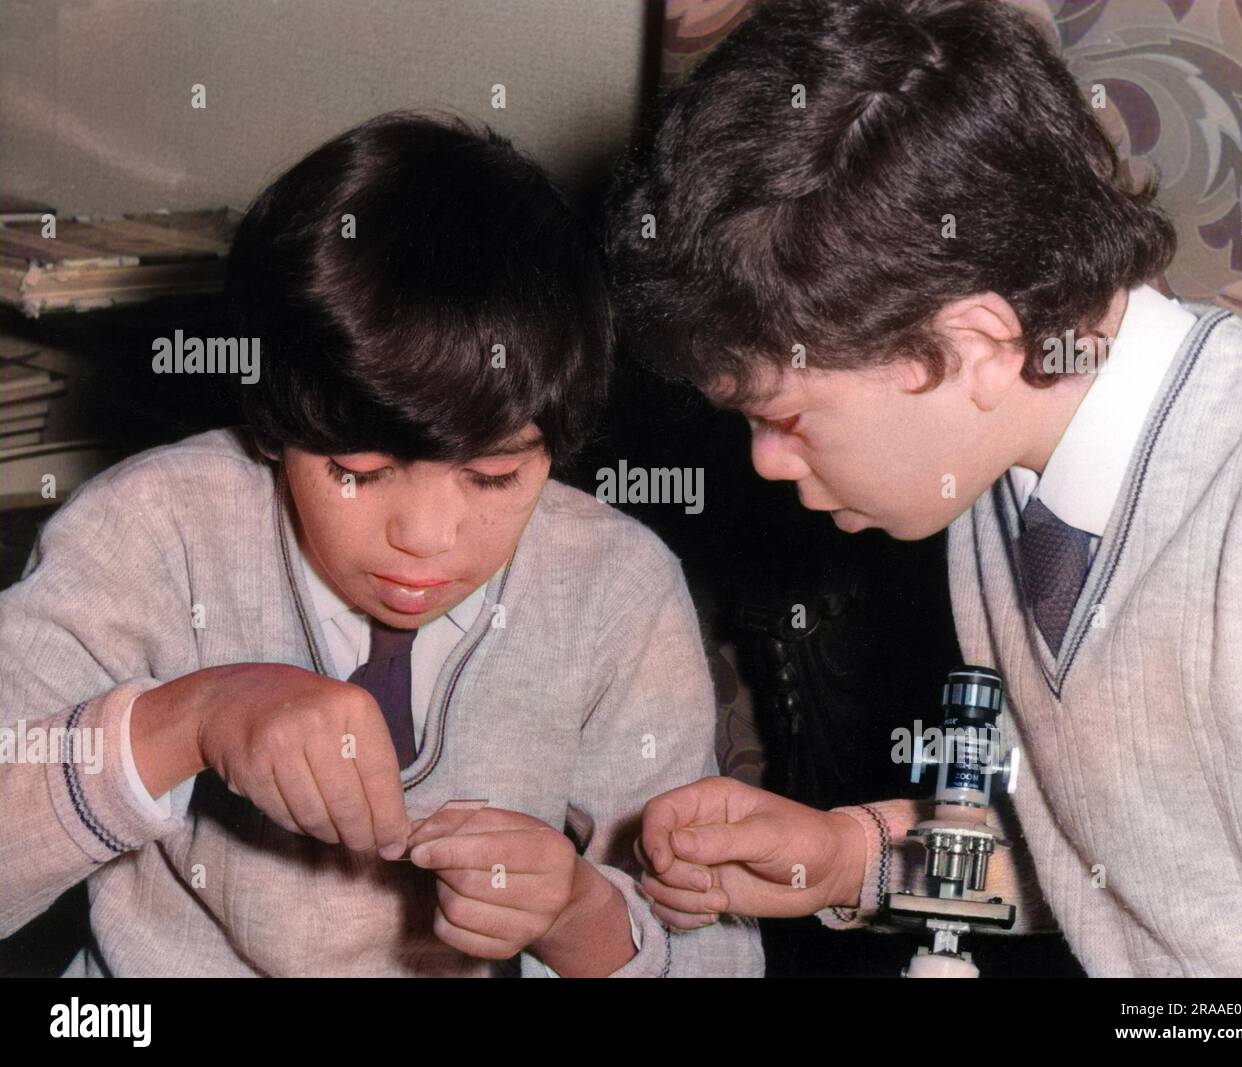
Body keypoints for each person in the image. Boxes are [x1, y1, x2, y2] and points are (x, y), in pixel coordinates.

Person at [606, 0, 1242, 977]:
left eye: (787, 416)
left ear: (971, 347)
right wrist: (850, 858)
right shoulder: (997, 485)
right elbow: (1107, 867)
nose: (763, 460)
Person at [0, 111, 763, 978]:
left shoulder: (614, 588)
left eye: (495, 478)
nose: (424, 538)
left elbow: (723, 956)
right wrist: (189, 719)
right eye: (359, 469)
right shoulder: (150, 529)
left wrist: (578, 914)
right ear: (277, 419)